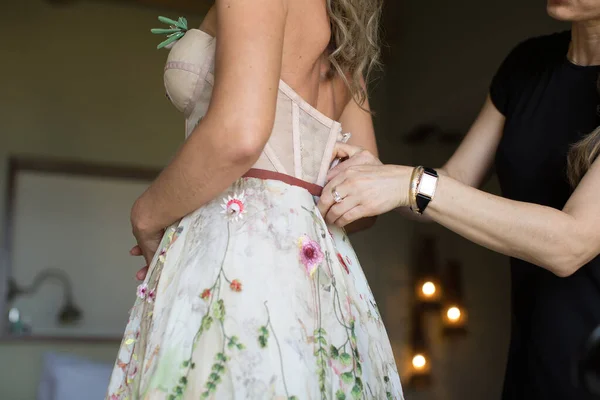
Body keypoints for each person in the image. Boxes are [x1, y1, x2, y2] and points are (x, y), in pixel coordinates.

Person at [105, 0, 404, 399]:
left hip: (240, 253)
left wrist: (145, 215)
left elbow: (239, 135)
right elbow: (362, 204)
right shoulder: (339, 31)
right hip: (324, 272)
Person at [317, 1, 600, 399]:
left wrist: (406, 183)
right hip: (535, 362)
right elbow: (452, 183)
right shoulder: (528, 65)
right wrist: (375, 176)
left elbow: (571, 244)